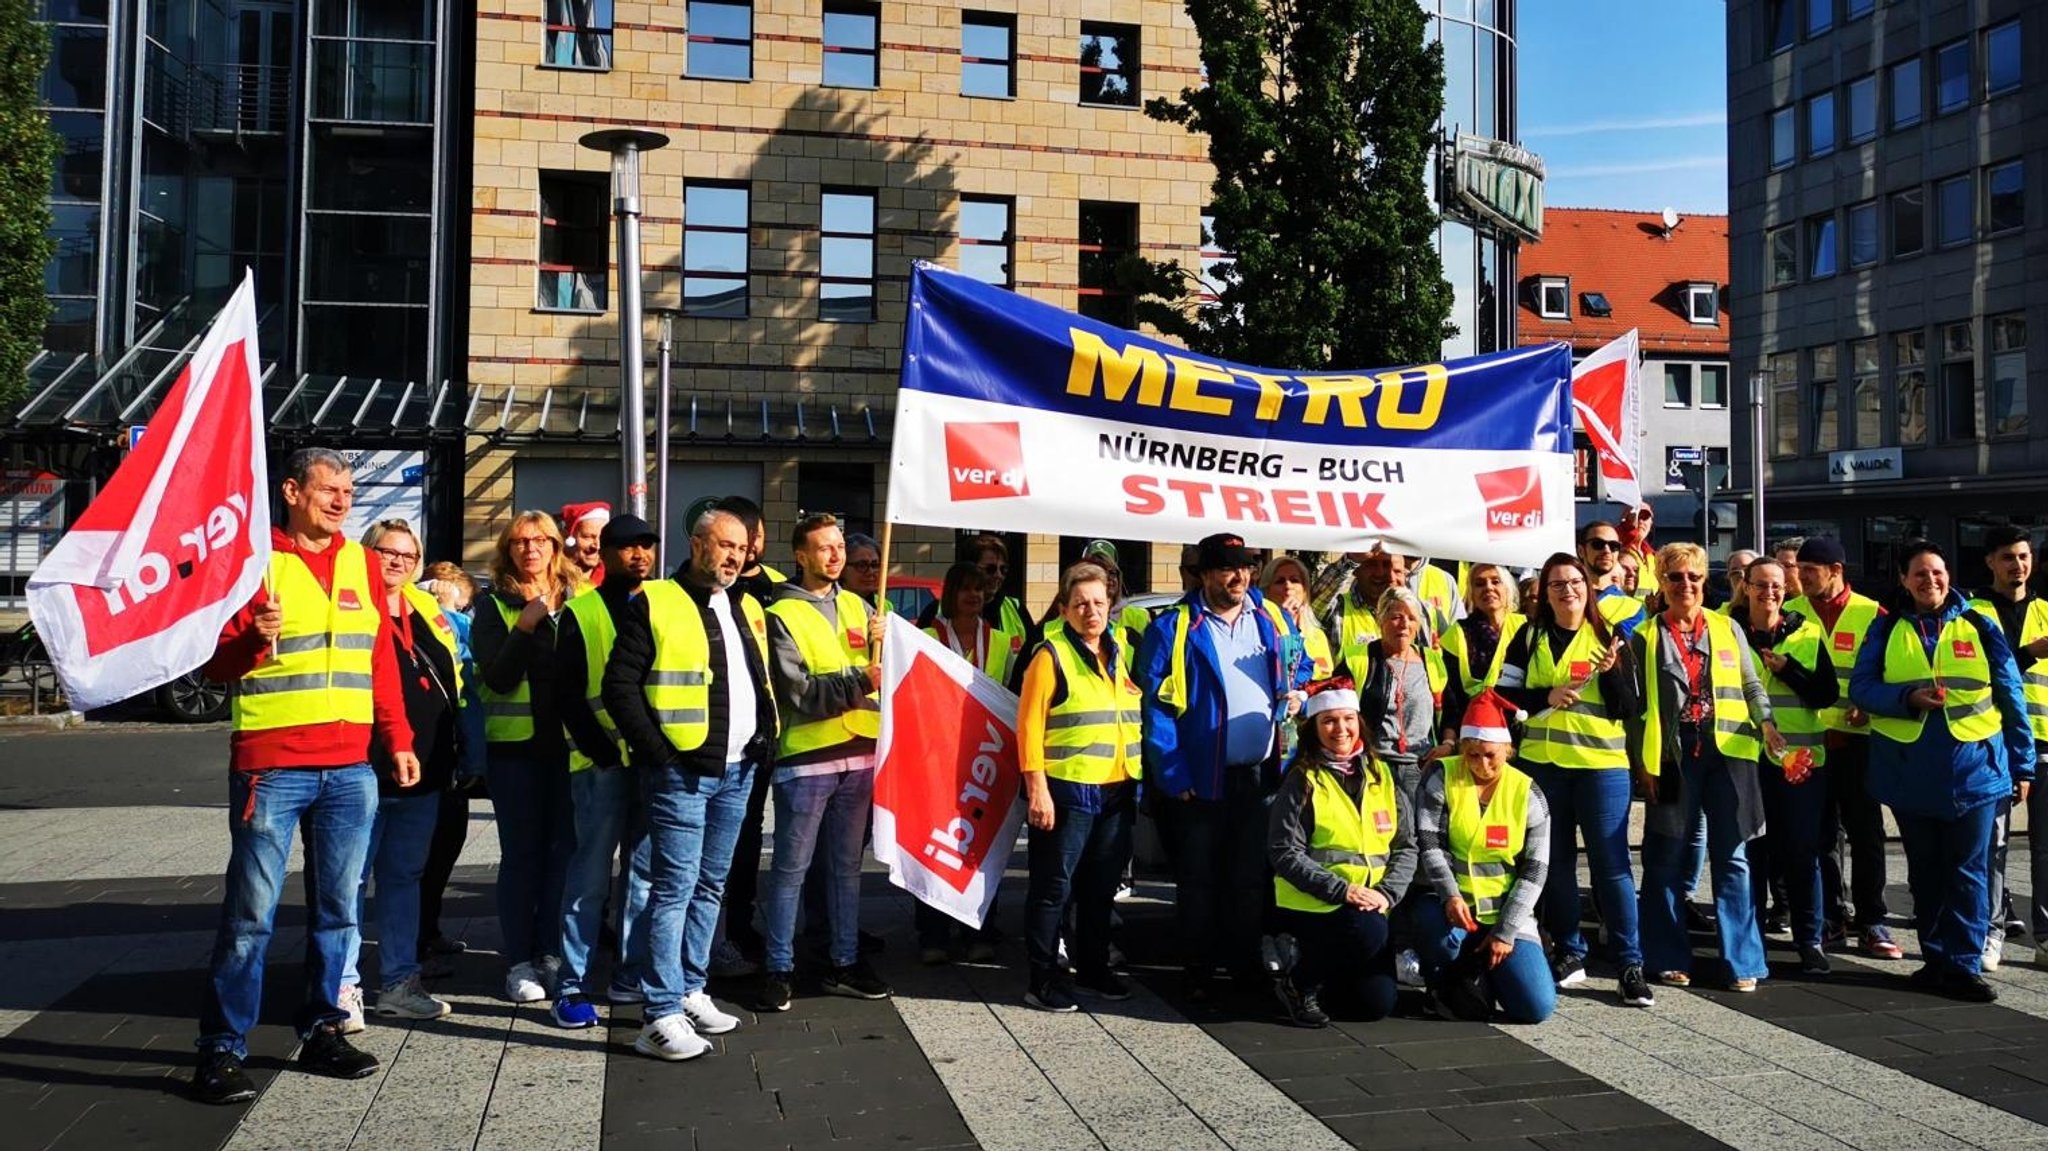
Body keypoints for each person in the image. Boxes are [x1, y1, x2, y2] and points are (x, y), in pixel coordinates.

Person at [191, 448, 419, 1105]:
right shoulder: (251, 559)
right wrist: (253, 640)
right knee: (250, 916)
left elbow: (379, 659)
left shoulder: (363, 564)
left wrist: (395, 739)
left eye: (349, 489)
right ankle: (221, 1048)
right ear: (291, 490)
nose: (343, 500)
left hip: (351, 767)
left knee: (338, 911)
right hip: (272, 764)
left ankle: (324, 1027)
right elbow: (214, 664)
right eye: (329, 489)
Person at [604, 509, 781, 1059]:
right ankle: (658, 1014)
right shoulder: (655, 601)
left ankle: (690, 987)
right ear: (697, 543)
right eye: (724, 545)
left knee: (711, 886)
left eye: (741, 548)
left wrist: (764, 741)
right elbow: (619, 687)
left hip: (738, 770)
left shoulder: (746, 604)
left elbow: (755, 678)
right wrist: (660, 755)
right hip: (682, 773)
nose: (733, 556)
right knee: (674, 889)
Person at [1852, 540, 2033, 1002]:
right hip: (1912, 771)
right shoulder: (1887, 627)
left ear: (1948, 575)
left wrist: (2022, 761)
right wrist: (1907, 698)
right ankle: (1936, 960)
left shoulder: (1979, 620)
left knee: (1969, 872)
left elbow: (2010, 690)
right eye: (1919, 574)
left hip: (1977, 769)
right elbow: (1863, 688)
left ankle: (1964, 964)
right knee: (1925, 874)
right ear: (1903, 580)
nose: (1929, 580)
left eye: (1937, 572)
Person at [1141, 533, 1312, 998]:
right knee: (1198, 880)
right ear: (1204, 574)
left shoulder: (1271, 615)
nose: (1238, 577)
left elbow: (1302, 663)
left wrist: (1298, 690)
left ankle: (1243, 968)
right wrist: (1172, 774)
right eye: (1226, 569)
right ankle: (1197, 971)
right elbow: (1155, 708)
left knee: (1249, 879)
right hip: (1199, 779)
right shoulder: (1173, 626)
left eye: (1244, 567)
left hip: (1260, 776)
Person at [1494, 552, 1650, 1006]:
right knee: (1555, 863)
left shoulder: (1611, 637)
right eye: (1557, 584)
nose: (1568, 591)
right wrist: (1546, 694)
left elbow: (1628, 707)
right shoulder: (1529, 634)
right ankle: (1569, 950)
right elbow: (1505, 695)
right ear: (1544, 592)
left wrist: (1613, 673)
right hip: (1543, 767)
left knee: (1612, 866)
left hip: (1601, 768)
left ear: (1588, 587)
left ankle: (1629, 962)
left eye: (1575, 582)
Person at [756, 513, 891, 1011]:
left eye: (839, 547)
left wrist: (890, 640)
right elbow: (800, 695)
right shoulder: (780, 613)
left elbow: (891, 678)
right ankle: (779, 967)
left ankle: (844, 961)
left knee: (846, 870)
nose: (836, 556)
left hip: (859, 756)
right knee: (791, 870)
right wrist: (863, 680)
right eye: (825, 548)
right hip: (807, 759)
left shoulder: (862, 607)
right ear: (801, 555)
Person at [1634, 543, 1780, 993]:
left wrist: (1768, 724)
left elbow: (1751, 684)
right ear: (1662, 581)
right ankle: (1666, 954)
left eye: (1694, 577)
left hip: (1729, 753)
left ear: (1705, 581)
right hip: (1674, 755)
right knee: (1667, 857)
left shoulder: (1727, 627)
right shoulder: (1645, 636)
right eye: (1675, 577)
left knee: (1733, 857)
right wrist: (1643, 763)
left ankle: (1742, 959)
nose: (1686, 586)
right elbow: (1637, 708)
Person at [341, 519, 457, 1025]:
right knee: (349, 881)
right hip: (363, 766)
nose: (397, 563)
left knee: (404, 878)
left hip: (423, 771)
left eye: (408, 556)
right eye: (387, 553)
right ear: (367, 554)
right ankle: (342, 987)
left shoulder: (424, 609)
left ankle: (398, 982)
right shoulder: (349, 606)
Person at [548, 514, 660, 1027]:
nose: (640, 555)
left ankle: (629, 975)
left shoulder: (662, 604)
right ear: (607, 553)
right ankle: (571, 984)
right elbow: (567, 694)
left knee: (642, 876)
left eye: (647, 547)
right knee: (589, 878)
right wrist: (603, 751)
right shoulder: (582, 611)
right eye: (629, 547)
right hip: (600, 765)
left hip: (651, 764)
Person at [1016, 563, 1143, 1010]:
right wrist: (1037, 789)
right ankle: (1043, 978)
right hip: (1068, 789)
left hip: (1116, 788)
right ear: (1065, 609)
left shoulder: (1120, 649)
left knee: (1100, 887)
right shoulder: (1050, 656)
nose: (1091, 612)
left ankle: (1092, 967)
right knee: (1054, 889)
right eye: (1081, 604)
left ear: (1110, 605)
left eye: (1099, 603)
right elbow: (1028, 727)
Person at [475, 510, 585, 1002]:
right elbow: (497, 677)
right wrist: (525, 624)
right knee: (522, 857)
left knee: (565, 855)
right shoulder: (492, 605)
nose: (531, 549)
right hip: (516, 752)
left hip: (571, 750)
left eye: (541, 540)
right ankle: (519, 962)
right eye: (520, 541)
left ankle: (552, 954)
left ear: (557, 547)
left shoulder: (580, 600)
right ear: (507, 550)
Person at [1267, 684, 1414, 1027]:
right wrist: (1343, 890)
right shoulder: (1302, 778)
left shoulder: (1383, 775)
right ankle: (1299, 982)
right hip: (1316, 904)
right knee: (1369, 932)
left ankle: (1322, 976)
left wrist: (1387, 893)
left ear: (1360, 723)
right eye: (1328, 721)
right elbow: (1284, 851)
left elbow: (1406, 846)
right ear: (1314, 728)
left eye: (1348, 719)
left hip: (1373, 903)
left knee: (1375, 1006)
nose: (1340, 729)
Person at [1413, 690, 1556, 1024]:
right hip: (1451, 904)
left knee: (1536, 1008)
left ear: (1507, 749)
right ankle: (1445, 984)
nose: (1481, 764)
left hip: (1503, 909)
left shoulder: (1528, 792)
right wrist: (1450, 895)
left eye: (1491, 755)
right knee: (1437, 935)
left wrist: (1506, 931)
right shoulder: (1440, 775)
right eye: (1472, 755)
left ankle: (1488, 974)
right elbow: (1431, 843)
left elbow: (1535, 870)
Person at [1787, 536, 1900, 959]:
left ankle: (1873, 919)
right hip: (1811, 740)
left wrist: (1868, 708)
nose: (1800, 578)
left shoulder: (1874, 615)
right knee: (1820, 835)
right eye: (1798, 570)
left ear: (1836, 571)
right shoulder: (1792, 614)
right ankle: (1833, 915)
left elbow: (1893, 671)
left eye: (1809, 571)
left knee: (1866, 832)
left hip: (1859, 742)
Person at [917, 562, 1022, 962]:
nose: (973, 596)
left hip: (985, 757)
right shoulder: (926, 638)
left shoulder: (1001, 640)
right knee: (935, 844)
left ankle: (980, 928)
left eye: (979, 589)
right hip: (938, 757)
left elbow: (1010, 698)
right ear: (951, 592)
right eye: (965, 589)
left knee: (981, 844)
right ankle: (932, 935)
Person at [1740, 557, 1839, 976]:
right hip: (1744, 759)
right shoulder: (1727, 632)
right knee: (1750, 855)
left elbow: (1826, 695)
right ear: (1745, 587)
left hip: (1799, 763)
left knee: (1801, 854)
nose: (1770, 592)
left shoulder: (1807, 632)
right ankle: (1750, 939)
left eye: (1777, 584)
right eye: (1760, 584)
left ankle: (1809, 940)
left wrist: (1790, 670)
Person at [1967, 525, 2048, 968]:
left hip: (2046, 741)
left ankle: (2046, 936)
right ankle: (1990, 930)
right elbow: (1982, 670)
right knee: (1992, 844)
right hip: (1994, 743)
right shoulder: (1973, 613)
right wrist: (2030, 652)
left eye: (2023, 556)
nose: (2017, 565)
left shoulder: (2047, 611)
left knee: (2044, 846)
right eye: (2008, 557)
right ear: (1990, 562)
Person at [710, 493, 783, 971]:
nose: (738, 551)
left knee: (748, 835)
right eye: (727, 541)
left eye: (747, 538)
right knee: (710, 846)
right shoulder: (699, 585)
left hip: (762, 738)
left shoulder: (779, 590)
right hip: (710, 741)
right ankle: (714, 936)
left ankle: (739, 922)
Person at [416, 561, 485, 973]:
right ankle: (417, 939)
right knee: (421, 854)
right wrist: (446, 611)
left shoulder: (454, 623)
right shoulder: (434, 621)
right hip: (430, 754)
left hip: (456, 754)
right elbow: (457, 649)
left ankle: (429, 927)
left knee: (446, 846)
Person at [1443, 563, 1526, 699]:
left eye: (1496, 582)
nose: (1488, 587)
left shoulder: (1527, 626)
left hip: (1521, 713)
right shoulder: (1456, 633)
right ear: (1471, 594)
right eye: (1479, 584)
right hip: (1473, 715)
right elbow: (1450, 692)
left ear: (1507, 589)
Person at [1326, 546, 1408, 672]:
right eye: (1371, 564)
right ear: (1356, 569)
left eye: (1387, 565)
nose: (1380, 573)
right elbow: (1316, 600)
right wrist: (1351, 559)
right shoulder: (1338, 609)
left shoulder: (1418, 613)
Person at [1261, 555, 1334, 681]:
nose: (1288, 586)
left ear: (1305, 590)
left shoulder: (1317, 635)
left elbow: (1325, 670)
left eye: (1294, 580)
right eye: (1280, 581)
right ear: (1267, 591)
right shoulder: (1260, 630)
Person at [1579, 522, 1648, 638]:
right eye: (1598, 544)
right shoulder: (1564, 597)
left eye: (1614, 546)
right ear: (1581, 551)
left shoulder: (1633, 608)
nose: (1607, 550)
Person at [562, 501, 611, 588]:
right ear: (568, 537)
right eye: (588, 537)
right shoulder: (551, 579)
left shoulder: (613, 580)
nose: (597, 546)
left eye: (602, 537)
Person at [1619, 503, 1661, 589]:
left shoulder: (1653, 556)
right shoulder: (1616, 549)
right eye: (1636, 516)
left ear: (1651, 523)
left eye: (1645, 517)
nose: (1641, 521)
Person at [843, 532, 883, 607]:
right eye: (861, 566)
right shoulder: (832, 605)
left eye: (875, 565)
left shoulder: (883, 604)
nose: (870, 572)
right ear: (842, 569)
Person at [1720, 550, 1759, 619]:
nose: (1741, 575)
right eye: (1735, 572)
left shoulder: (1774, 612)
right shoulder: (1719, 616)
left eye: (1747, 569)